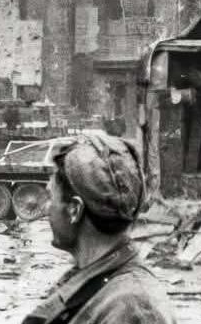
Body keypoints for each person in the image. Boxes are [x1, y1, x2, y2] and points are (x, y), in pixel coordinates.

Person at [22, 134, 177, 324]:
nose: (46, 208)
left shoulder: (132, 308)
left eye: (51, 197)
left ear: (74, 210)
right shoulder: (99, 282)